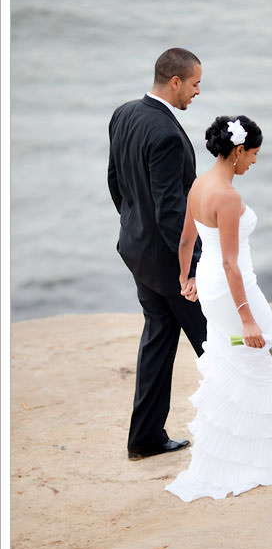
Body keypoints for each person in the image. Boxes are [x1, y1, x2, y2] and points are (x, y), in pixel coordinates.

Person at [165, 115, 272, 501]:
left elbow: (185, 241)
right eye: (254, 154)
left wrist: (185, 280)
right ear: (238, 151)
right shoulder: (227, 197)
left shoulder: (199, 185)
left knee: (238, 364)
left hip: (209, 285)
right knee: (266, 360)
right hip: (234, 290)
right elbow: (231, 263)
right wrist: (247, 318)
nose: (255, 163)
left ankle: (247, 451)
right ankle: (268, 455)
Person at [108, 47, 207, 461]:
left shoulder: (124, 113)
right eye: (196, 83)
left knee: (158, 341)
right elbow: (171, 211)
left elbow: (116, 182)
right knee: (214, 344)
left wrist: (135, 227)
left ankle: (145, 438)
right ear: (175, 82)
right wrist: (194, 268)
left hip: (138, 252)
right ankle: (243, 432)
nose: (198, 92)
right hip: (169, 264)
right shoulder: (166, 134)